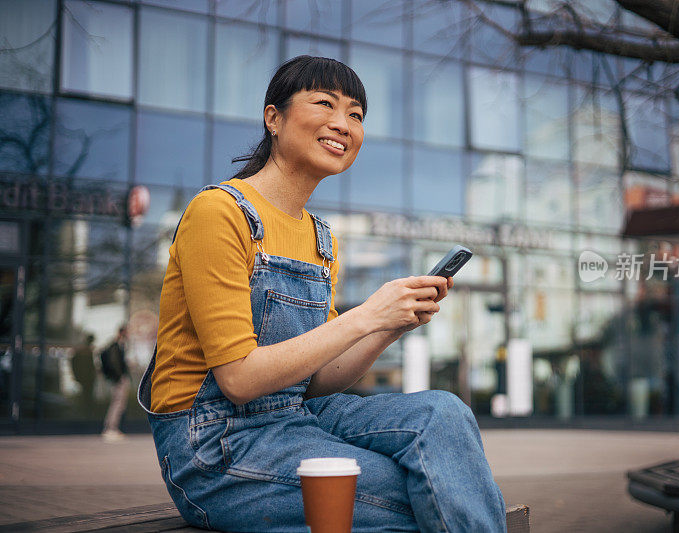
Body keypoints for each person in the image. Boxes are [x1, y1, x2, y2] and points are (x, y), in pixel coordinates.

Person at [137, 55, 506, 532]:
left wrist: (388, 326)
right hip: (216, 444)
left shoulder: (323, 238)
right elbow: (239, 380)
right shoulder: (218, 213)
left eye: (356, 114)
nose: (343, 124)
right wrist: (366, 316)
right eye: (324, 104)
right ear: (274, 118)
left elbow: (318, 380)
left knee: (443, 414)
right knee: (433, 484)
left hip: (298, 416)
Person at [102, 326, 129, 441]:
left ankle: (111, 428)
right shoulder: (115, 346)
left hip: (117, 379)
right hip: (118, 379)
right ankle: (111, 428)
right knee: (118, 403)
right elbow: (115, 363)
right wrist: (119, 377)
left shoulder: (118, 345)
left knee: (118, 403)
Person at [72, 333, 97, 412]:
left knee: (87, 396)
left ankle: (86, 410)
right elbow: (75, 363)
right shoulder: (84, 350)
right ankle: (85, 410)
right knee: (86, 396)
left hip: (87, 377)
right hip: (85, 377)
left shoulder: (86, 350)